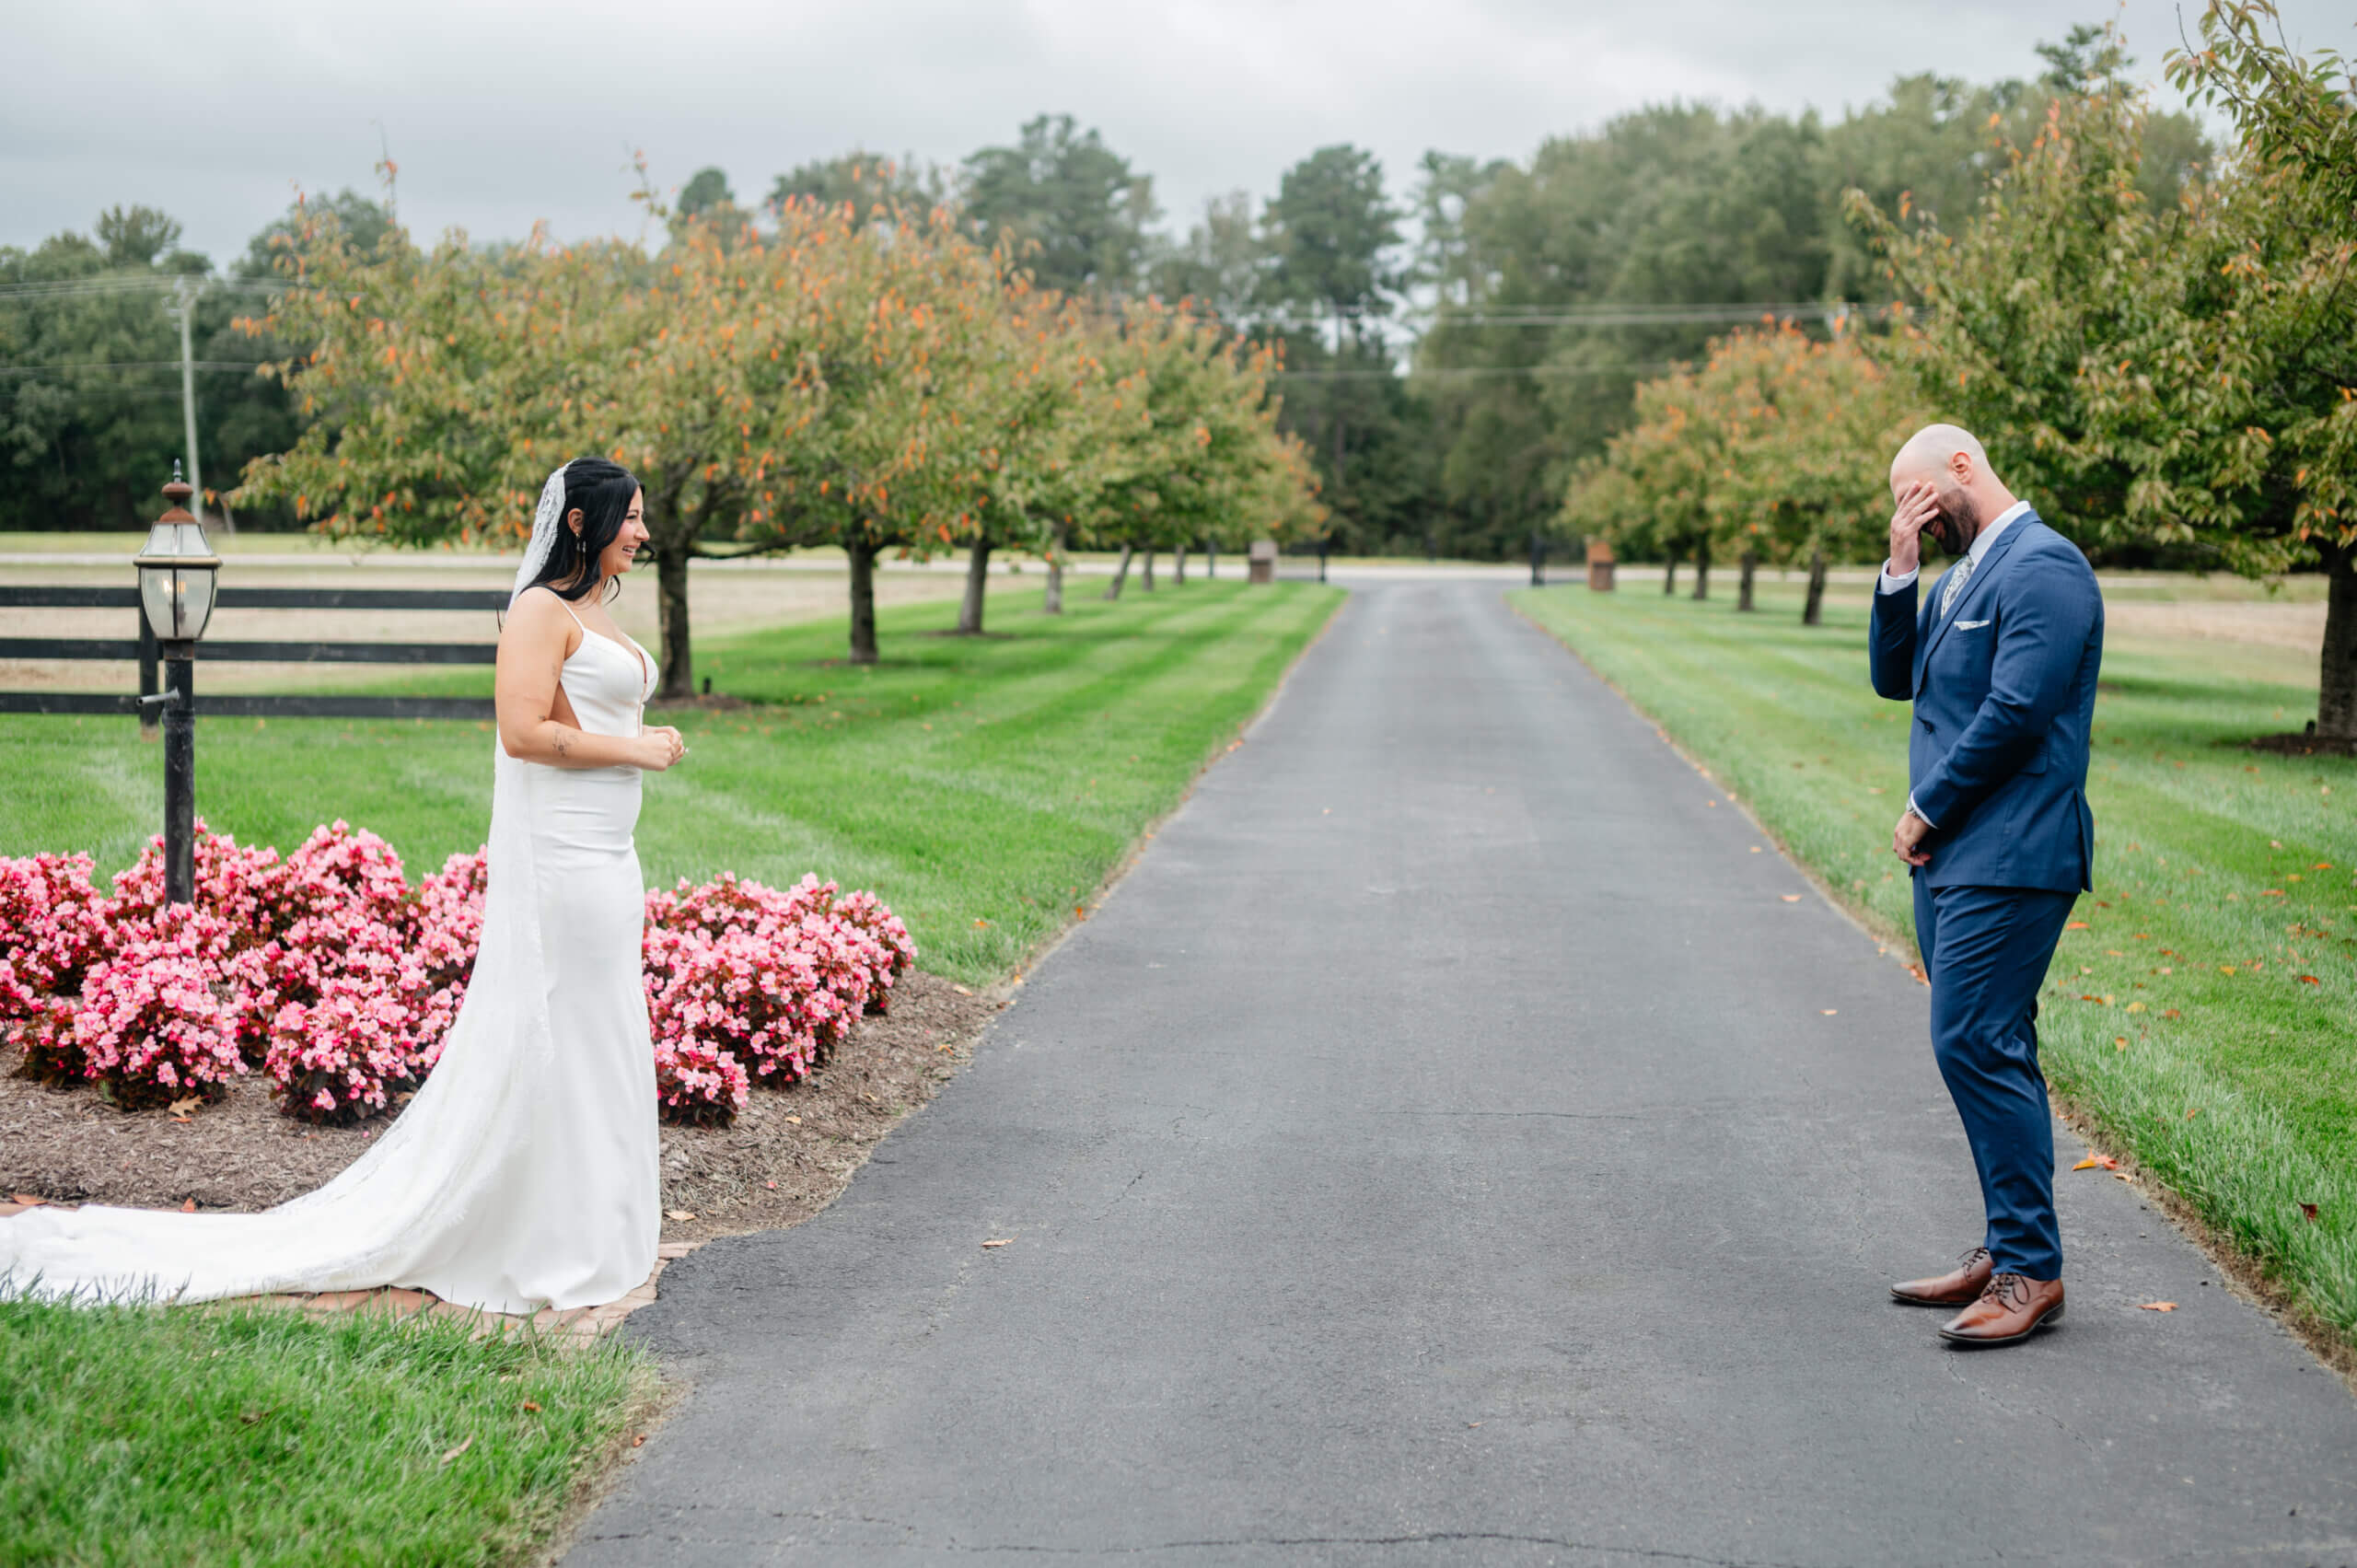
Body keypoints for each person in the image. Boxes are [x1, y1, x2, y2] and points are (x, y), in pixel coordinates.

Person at [0, 459, 686, 1315]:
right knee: (565, 1032)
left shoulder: (592, 615)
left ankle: (598, 1223)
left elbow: (582, 716)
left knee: (601, 1030)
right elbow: (520, 731)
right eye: (630, 517)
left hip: (609, 859)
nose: (644, 532)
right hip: (567, 863)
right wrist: (637, 750)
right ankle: (543, 1231)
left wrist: (635, 732)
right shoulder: (541, 610)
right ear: (581, 523)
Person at [1869, 424, 2102, 1348]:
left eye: (1915, 496)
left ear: (1960, 466)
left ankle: (2029, 1272)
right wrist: (1898, 565)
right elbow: (1898, 681)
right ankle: (2007, 1244)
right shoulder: (1961, 574)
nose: (1910, 511)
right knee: (1986, 1045)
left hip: (2011, 853)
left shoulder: (2044, 567)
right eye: (1898, 505)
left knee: (1971, 1038)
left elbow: (2015, 713)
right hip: (1957, 859)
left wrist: (1925, 808)